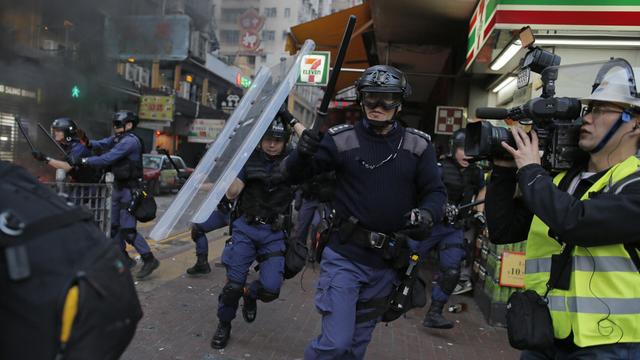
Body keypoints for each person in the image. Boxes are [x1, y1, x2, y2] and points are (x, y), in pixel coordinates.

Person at [282, 65, 447, 359]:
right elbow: (296, 175)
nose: (378, 106)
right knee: (336, 343)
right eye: (371, 98)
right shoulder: (340, 139)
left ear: (400, 101)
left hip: (387, 263)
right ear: (360, 99)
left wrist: (428, 214)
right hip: (344, 257)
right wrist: (302, 152)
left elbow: (435, 192)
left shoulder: (418, 145)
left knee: (356, 348)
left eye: (387, 99)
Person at [486, 60, 640, 358]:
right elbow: (503, 230)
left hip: (611, 344)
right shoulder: (560, 181)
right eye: (588, 109)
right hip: (547, 334)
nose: (587, 118)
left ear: (635, 121)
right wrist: (504, 171)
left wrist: (530, 171)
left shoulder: (633, 184)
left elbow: (577, 223)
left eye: (599, 109)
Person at [210, 116, 296, 349]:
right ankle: (224, 324)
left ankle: (250, 294)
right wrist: (231, 174)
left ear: (285, 142)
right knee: (232, 286)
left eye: (277, 140)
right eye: (268, 139)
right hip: (246, 229)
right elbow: (232, 191)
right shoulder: (248, 160)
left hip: (274, 232)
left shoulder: (293, 164)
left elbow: (313, 147)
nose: (271, 145)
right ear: (260, 140)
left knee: (270, 289)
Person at [68, 110, 159, 279]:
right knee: (113, 228)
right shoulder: (118, 139)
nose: (115, 127)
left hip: (129, 191)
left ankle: (149, 259)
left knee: (128, 230)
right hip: (118, 188)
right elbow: (100, 144)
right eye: (114, 124)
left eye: (118, 124)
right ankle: (125, 260)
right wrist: (84, 141)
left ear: (129, 125)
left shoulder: (130, 142)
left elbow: (108, 158)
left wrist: (84, 161)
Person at [412, 129, 486, 329]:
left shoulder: (476, 171)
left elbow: (482, 189)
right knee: (409, 261)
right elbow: (424, 189)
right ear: (454, 149)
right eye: (463, 149)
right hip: (432, 224)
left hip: (454, 228)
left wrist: (479, 211)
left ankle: (434, 313)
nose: (467, 155)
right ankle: (398, 300)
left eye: (471, 150)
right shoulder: (439, 167)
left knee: (452, 271)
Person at [31, 118, 98, 183]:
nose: (55, 133)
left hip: (87, 190)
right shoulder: (66, 146)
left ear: (67, 132)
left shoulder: (79, 147)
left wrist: (45, 158)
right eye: (55, 130)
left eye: (58, 131)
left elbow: (66, 167)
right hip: (75, 186)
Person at [186, 198, 233, 275]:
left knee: (244, 241)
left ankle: (241, 270)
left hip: (239, 214)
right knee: (198, 227)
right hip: (224, 211)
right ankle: (202, 264)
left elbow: (233, 192)